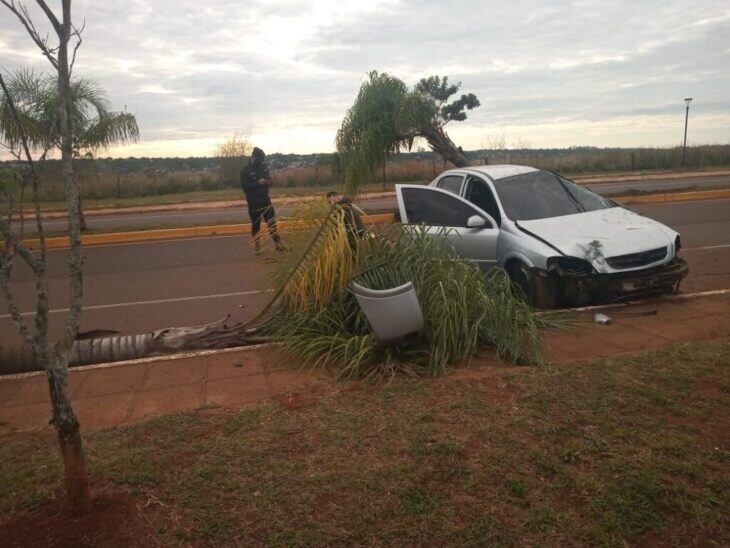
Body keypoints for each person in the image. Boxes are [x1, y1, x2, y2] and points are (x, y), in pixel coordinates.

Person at [241, 147, 282, 254]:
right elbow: (245, 187)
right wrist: (258, 183)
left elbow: (269, 179)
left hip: (265, 200)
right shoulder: (246, 171)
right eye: (260, 158)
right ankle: (257, 246)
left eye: (262, 159)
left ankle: (278, 244)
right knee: (256, 225)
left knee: (272, 223)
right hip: (253, 202)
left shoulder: (263, 167)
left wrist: (269, 182)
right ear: (254, 157)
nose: (261, 161)